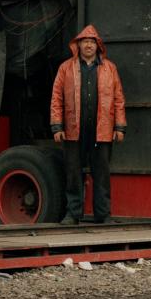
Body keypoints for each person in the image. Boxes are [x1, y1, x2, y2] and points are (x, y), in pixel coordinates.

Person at [50, 25, 126, 224]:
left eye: (92, 42)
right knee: (73, 173)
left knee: (101, 173)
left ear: (98, 45)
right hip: (74, 130)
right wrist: (57, 126)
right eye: (85, 42)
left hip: (102, 130)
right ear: (78, 45)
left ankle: (103, 215)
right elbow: (56, 98)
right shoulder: (65, 68)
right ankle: (72, 214)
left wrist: (119, 127)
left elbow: (119, 98)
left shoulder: (110, 68)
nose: (89, 46)